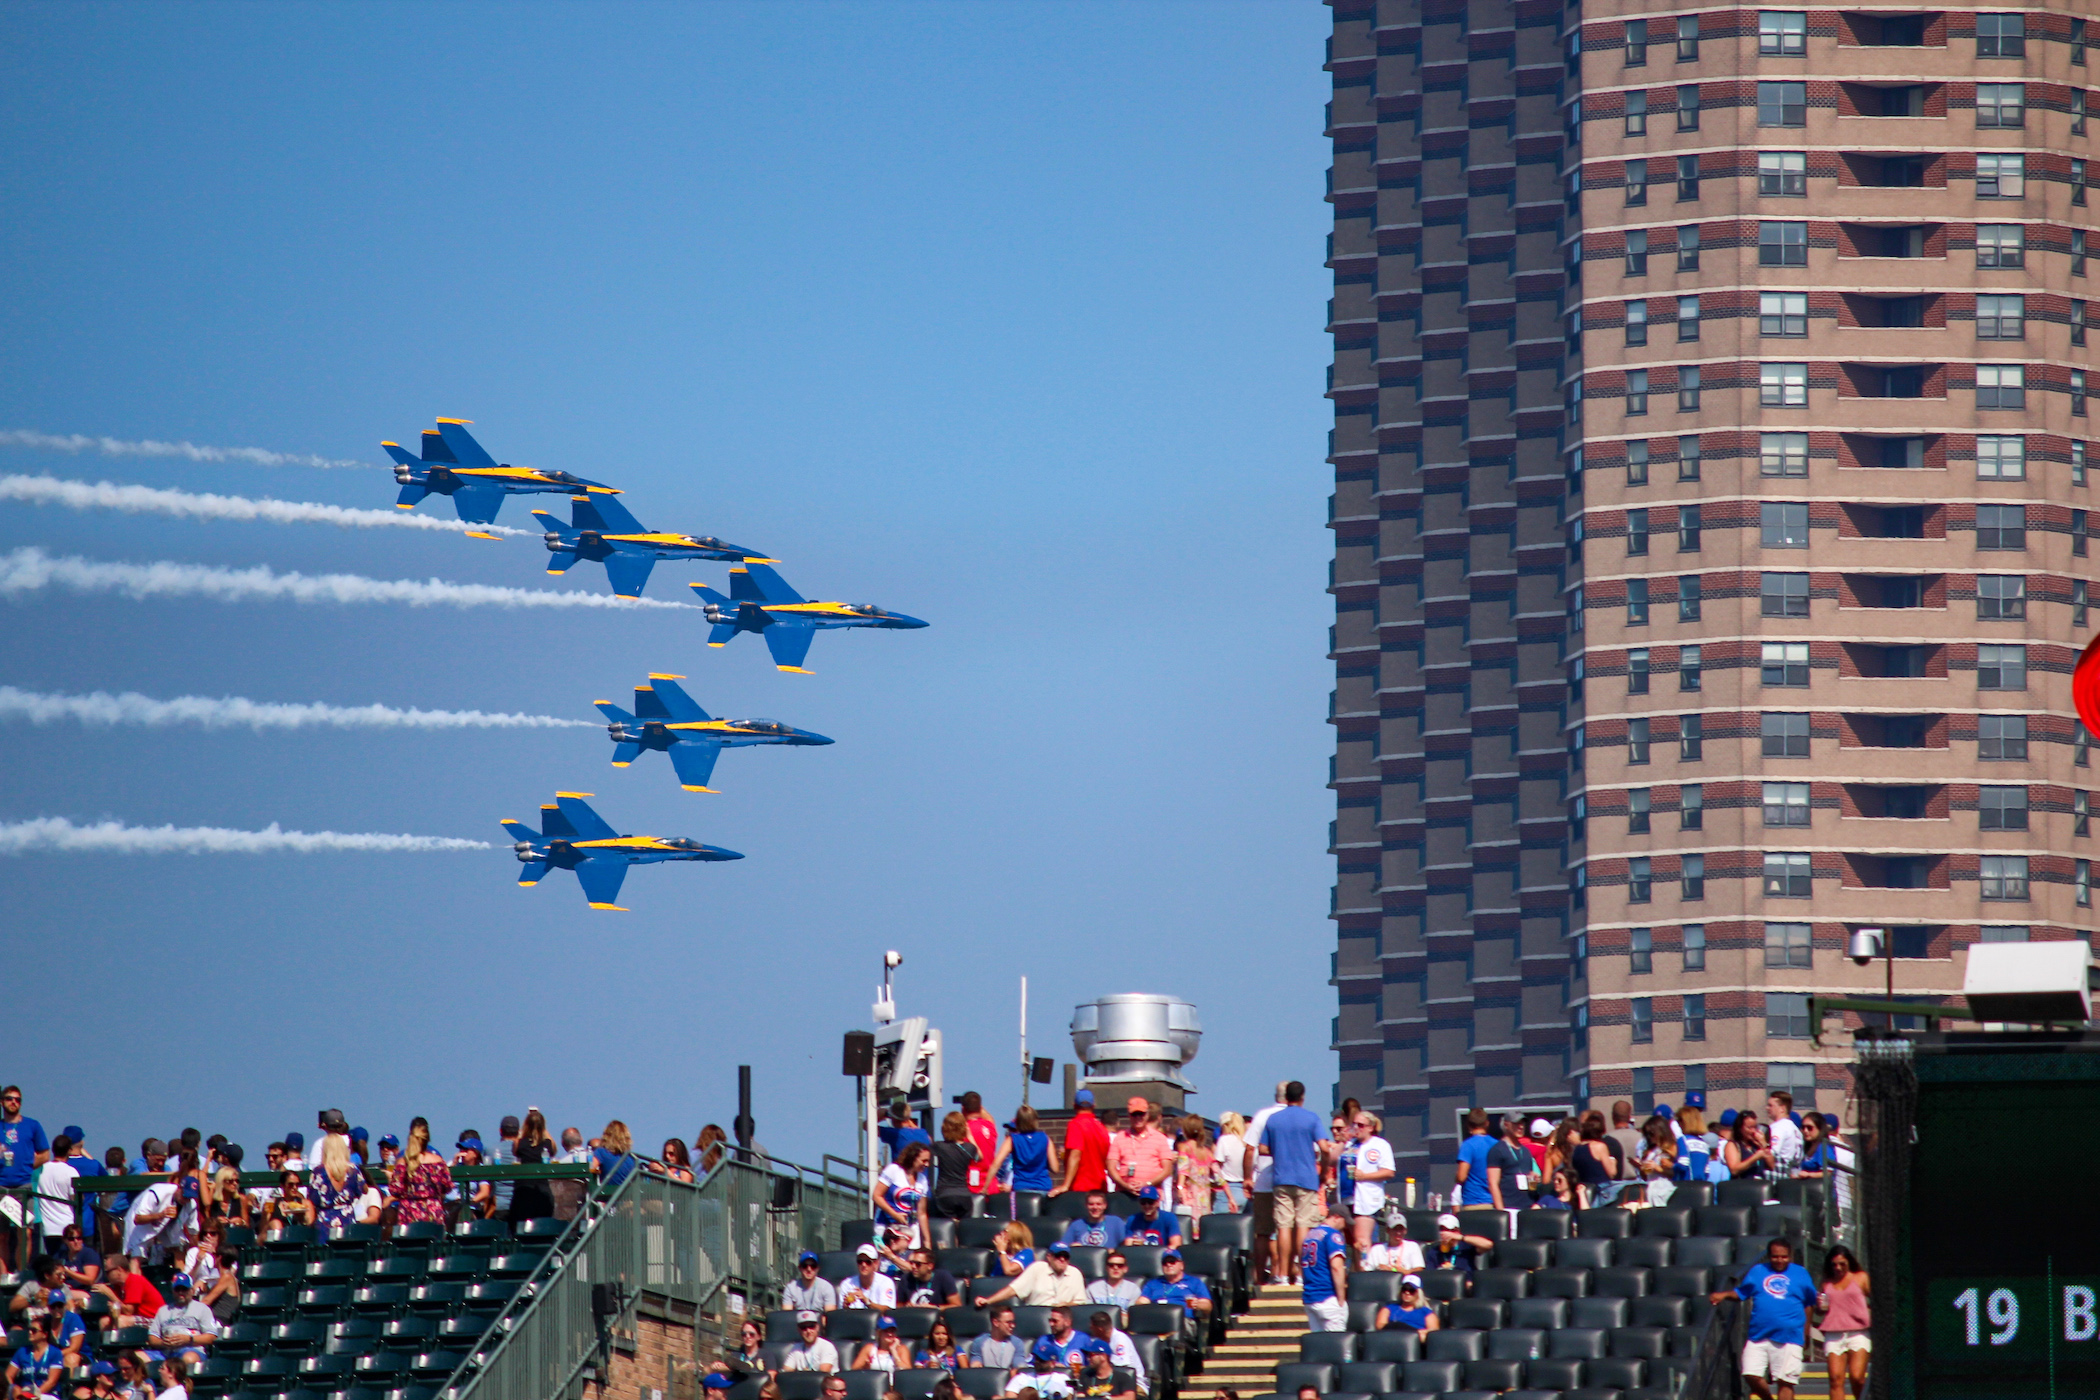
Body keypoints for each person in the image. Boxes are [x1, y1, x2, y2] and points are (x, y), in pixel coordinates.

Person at [1711, 1238, 1820, 1400]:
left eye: (1784, 1257)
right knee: (1750, 1374)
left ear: (1790, 1256)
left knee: (1785, 1382)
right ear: (1769, 1256)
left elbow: (1809, 1304)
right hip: (1759, 1335)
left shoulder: (1800, 1273)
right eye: (1775, 1256)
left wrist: (1806, 1332)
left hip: (1790, 1336)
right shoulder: (1758, 1271)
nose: (1779, 1260)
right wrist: (1725, 1294)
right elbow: (1742, 1293)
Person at [1255, 1081, 1330, 1287]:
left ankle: (1281, 1274)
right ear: (1302, 1097)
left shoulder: (1273, 1119)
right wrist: (1323, 1171)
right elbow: (1325, 1148)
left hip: (1281, 1178)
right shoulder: (1311, 1118)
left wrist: (1280, 1150)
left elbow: (1262, 1148)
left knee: (1284, 1227)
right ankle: (1300, 1274)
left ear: (1285, 1097)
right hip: (1306, 1178)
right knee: (1304, 1226)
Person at [0, 1088, 51, 1271]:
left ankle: (21, 1273)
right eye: (9, 1099)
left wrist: (28, 1164)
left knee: (25, 1233)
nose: (14, 1102)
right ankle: (3, 1276)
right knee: (2, 1236)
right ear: (2, 1101)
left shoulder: (32, 1125)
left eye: (18, 1100)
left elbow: (45, 1154)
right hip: (1, 1186)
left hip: (24, 1185)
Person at [1818, 1245, 1871, 1400]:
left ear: (1849, 1262)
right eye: (1834, 1264)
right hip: (1833, 1333)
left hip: (1858, 1332)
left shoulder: (1860, 1278)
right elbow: (1820, 1310)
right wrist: (1819, 1307)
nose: (1838, 1268)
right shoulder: (1826, 1283)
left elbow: (1878, 1299)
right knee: (1835, 1379)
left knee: (1857, 1377)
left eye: (1842, 1264)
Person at [976, 1241, 1088, 1308]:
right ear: (1049, 1257)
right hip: (1038, 1317)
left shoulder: (1075, 1273)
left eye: (1066, 1256)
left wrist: (1065, 1305)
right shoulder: (1037, 1268)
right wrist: (988, 1301)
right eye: (1058, 1256)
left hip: (1063, 1319)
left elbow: (1081, 1303)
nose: (1062, 1259)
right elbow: (1012, 1290)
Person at [1139, 1248, 1213, 1349]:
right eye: (1165, 1263)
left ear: (1181, 1265)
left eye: (1172, 1261)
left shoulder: (1194, 1282)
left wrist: (1198, 1304)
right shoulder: (1153, 1283)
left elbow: (1208, 1306)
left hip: (1184, 1321)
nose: (1169, 1265)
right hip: (1158, 1321)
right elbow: (1141, 1303)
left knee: (1175, 1324)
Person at [1344, 1113, 1396, 1255]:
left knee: (1362, 1240)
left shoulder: (1380, 1145)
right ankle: (1354, 1271)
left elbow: (1389, 1172)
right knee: (1351, 1243)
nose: (1356, 1128)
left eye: (1360, 1125)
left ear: (1370, 1128)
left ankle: (1365, 1270)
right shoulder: (1349, 1144)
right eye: (1354, 1124)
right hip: (1347, 1198)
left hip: (1367, 1199)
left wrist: (1365, 1176)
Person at [390, 1120, 454, 1226]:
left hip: (409, 1213)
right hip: (432, 1211)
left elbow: (395, 1190)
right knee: (433, 1241)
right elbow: (447, 1186)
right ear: (427, 1139)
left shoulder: (402, 1162)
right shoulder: (438, 1161)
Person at [1296, 1205, 1348, 1331]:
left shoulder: (1309, 1235)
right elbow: (1337, 1267)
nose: (1345, 1225)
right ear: (1336, 1217)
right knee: (1336, 1346)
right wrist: (1341, 1299)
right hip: (1327, 1296)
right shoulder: (1333, 1235)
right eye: (1344, 1220)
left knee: (1319, 1346)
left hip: (1310, 1297)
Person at [990, 1106, 1058, 1197]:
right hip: (1043, 1188)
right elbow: (1055, 1168)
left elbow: (996, 1164)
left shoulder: (1012, 1140)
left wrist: (985, 1187)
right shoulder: (1045, 1138)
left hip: (1021, 1189)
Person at [147, 1273, 218, 1362]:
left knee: (188, 1358)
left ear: (192, 1290)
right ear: (173, 1291)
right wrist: (163, 1342)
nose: (181, 1293)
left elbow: (212, 1337)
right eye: (177, 1289)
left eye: (184, 1289)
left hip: (191, 1350)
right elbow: (152, 1337)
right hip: (165, 1352)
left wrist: (188, 1339)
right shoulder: (163, 1310)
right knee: (137, 1358)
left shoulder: (202, 1308)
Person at [875, 1142, 931, 1249]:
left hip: (910, 1228)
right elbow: (877, 1196)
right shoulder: (894, 1170)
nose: (927, 1164)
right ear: (912, 1158)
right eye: (924, 1161)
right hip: (885, 1225)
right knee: (885, 1259)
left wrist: (927, 1241)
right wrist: (895, 1214)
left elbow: (922, 1213)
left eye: (928, 1161)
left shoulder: (922, 1179)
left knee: (908, 1262)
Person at [308, 1134, 366, 1231]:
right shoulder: (353, 1170)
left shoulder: (318, 1172)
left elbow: (313, 1199)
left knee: (325, 1246)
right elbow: (363, 1190)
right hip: (347, 1222)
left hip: (325, 1222)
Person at [1173, 1117, 1220, 1238]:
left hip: (1190, 1195)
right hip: (1205, 1199)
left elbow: (1183, 1170)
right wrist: (1230, 1197)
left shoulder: (1185, 1147)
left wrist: (1179, 1187)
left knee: (1186, 1231)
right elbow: (1219, 1177)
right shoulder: (1207, 1151)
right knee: (1202, 1231)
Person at [930, 1113, 981, 1221]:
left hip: (944, 1194)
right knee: (962, 1231)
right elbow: (980, 1157)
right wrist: (970, 1137)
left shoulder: (939, 1146)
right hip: (964, 1195)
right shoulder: (969, 1148)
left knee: (946, 1230)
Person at [1058, 1090, 1110, 1197]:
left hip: (1081, 1189)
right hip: (1100, 1189)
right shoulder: (1101, 1128)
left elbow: (1075, 1156)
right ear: (1094, 1105)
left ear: (1074, 1106)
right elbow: (1106, 1160)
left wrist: (1065, 1185)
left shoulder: (1075, 1125)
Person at [1084, 1309, 1147, 1396]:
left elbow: (1123, 1366)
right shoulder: (1098, 1341)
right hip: (1108, 1381)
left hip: (1133, 1384)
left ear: (1100, 1329)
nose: (1090, 1329)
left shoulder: (1120, 1340)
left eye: (1092, 1327)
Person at [32, 1135, 78, 1254]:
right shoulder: (71, 1171)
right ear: (69, 1150)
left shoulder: (41, 1170)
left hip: (48, 1228)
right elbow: (76, 1198)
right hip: (67, 1226)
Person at [508, 1110, 556, 1223]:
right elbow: (554, 1149)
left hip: (523, 1190)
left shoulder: (520, 1143)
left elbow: (515, 1151)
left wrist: (527, 1126)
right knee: (543, 1224)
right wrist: (541, 1126)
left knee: (519, 1226)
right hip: (542, 1190)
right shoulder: (547, 1144)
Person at [94, 1256, 162, 1327]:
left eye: (108, 1272)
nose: (106, 1275)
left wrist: (110, 1293)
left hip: (154, 1320)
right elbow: (121, 1309)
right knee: (104, 1322)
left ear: (119, 1270)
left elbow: (128, 1311)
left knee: (120, 1321)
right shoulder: (119, 1285)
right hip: (137, 1318)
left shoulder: (134, 1280)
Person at [1484, 1115, 1533, 1211]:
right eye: (1516, 1123)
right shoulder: (1497, 1150)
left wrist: (1533, 1177)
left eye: (1522, 1123)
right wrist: (1501, 1211)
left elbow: (1529, 1174)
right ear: (1506, 1125)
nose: (1521, 1127)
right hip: (1509, 1206)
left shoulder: (1526, 1151)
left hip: (1528, 1206)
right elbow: (1493, 1183)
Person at [8, 1315, 64, 1397]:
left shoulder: (55, 1353)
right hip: (24, 1394)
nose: (30, 1332)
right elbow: (8, 1375)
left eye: (34, 1330)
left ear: (45, 1334)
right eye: (29, 1329)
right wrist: (14, 1388)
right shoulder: (22, 1351)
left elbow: (51, 1382)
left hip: (47, 1394)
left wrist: (33, 1395)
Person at [1453, 1108, 1497, 1209]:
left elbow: (1461, 1176)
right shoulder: (1497, 1145)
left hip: (1473, 1203)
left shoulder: (1467, 1145)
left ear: (1468, 1125)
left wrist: (1456, 1176)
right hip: (1494, 1202)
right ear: (1487, 1123)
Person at [959, 1093, 1001, 1197]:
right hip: (991, 1186)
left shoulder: (963, 1131)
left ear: (963, 1109)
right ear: (980, 1108)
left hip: (972, 1187)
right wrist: (977, 1106)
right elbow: (989, 1117)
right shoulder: (990, 1126)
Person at [1571, 1113, 1619, 1203]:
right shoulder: (1599, 1146)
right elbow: (1612, 1173)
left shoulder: (1577, 1148)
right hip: (1600, 1190)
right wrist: (1613, 1162)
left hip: (1583, 1189)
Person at [1058, 1193, 1128, 1249]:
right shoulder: (1076, 1224)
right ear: (1086, 1206)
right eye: (1091, 1204)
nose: (1095, 1207)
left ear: (1105, 1206)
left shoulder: (1115, 1222)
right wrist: (1073, 1247)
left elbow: (1124, 1246)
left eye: (1099, 1204)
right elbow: (1063, 1247)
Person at [840, 1243, 899, 1311]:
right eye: (860, 1261)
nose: (864, 1265)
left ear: (875, 1264)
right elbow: (842, 1315)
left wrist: (867, 1301)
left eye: (868, 1262)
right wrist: (845, 1306)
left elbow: (887, 1311)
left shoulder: (886, 1282)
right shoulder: (847, 1284)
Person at [1427, 1214, 1495, 1272]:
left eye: (1448, 1230)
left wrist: (1461, 1238)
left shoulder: (1466, 1247)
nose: (1444, 1233)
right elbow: (1430, 1274)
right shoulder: (1434, 1251)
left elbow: (1488, 1245)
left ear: (1457, 1231)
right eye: (1441, 1230)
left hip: (1466, 1282)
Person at [964, 1304, 1024, 1369]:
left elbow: (1019, 1365)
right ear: (996, 1322)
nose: (1012, 1326)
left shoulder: (1017, 1343)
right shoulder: (979, 1342)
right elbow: (976, 1361)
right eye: (1008, 1322)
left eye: (1013, 1322)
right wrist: (976, 1363)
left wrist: (1018, 1368)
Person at [1372, 1275, 1439, 1334]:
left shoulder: (1426, 1313)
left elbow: (1432, 1334)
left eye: (1411, 1290)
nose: (1407, 1293)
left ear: (1418, 1293)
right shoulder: (1388, 1309)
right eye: (1404, 1289)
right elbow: (1380, 1326)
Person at [1086, 1253, 1142, 1322]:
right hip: (1099, 1323)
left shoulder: (1133, 1289)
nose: (1115, 1268)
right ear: (1106, 1268)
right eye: (1111, 1265)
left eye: (1120, 1266)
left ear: (1125, 1269)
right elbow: (1088, 1312)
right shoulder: (1092, 1288)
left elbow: (1132, 1315)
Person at [1213, 1112, 1249, 1215]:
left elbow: (1217, 1169)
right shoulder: (1247, 1142)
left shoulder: (1224, 1140)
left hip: (1227, 1190)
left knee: (1219, 1227)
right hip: (1246, 1190)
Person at [1725, 1112, 1776, 1181]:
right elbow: (1734, 1170)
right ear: (1740, 1128)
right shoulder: (1733, 1145)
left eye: (1755, 1127)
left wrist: (1764, 1144)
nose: (1753, 1131)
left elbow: (1772, 1165)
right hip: (1744, 1186)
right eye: (1749, 1127)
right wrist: (1755, 1157)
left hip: (1759, 1186)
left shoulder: (1756, 1145)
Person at [1766, 1093, 1804, 1178]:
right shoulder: (1795, 1129)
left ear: (1782, 1109)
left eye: (1770, 1105)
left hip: (1779, 1174)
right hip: (1791, 1172)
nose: (1767, 1108)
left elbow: (1771, 1154)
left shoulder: (1779, 1127)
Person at [592, 1121, 637, 1190]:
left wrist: (598, 1172)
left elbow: (591, 1168)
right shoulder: (632, 1158)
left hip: (607, 1195)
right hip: (626, 1196)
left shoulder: (601, 1152)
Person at [1605, 1102, 1643, 1182]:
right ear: (1629, 1117)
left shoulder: (1607, 1140)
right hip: (1639, 1184)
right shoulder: (1641, 1137)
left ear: (1613, 1117)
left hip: (1615, 1185)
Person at [52, 1226, 99, 1291]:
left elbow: (90, 1280)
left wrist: (67, 1271)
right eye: (71, 1239)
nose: (76, 1241)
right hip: (67, 1290)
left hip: (88, 1290)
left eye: (79, 1238)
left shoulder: (89, 1253)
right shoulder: (61, 1255)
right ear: (65, 1240)